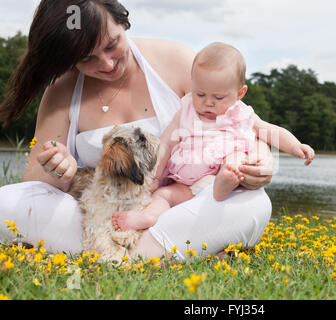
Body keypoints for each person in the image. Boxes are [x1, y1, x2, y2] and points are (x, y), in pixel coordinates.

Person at [0, 0, 274, 261]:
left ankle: (121, 255)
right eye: (87, 59)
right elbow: (34, 183)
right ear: (69, 60)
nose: (107, 64)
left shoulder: (175, 60)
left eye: (111, 44)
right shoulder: (61, 90)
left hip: (171, 211)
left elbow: (244, 122)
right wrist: (59, 169)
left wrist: (263, 160)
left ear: (123, 22)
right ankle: (161, 254)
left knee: (253, 205)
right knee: (6, 203)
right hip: (95, 218)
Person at [112, 42, 315, 232]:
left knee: (237, 157)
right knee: (164, 195)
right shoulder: (186, 110)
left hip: (223, 175)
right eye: (200, 94)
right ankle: (149, 216)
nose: (208, 103)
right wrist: (155, 177)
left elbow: (270, 130)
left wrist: (296, 146)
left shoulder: (241, 113)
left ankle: (224, 183)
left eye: (218, 97)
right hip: (187, 184)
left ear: (240, 93)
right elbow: (165, 142)